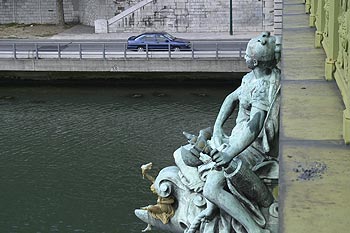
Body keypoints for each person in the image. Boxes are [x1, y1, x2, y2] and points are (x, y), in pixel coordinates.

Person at [200, 32, 281, 233]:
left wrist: (229, 153)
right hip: (236, 140)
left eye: (246, 55)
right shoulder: (250, 78)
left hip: (252, 149)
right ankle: (213, 206)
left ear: (254, 61)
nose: (243, 58)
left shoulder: (263, 87)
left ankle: (254, 229)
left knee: (212, 187)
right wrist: (218, 127)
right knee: (203, 150)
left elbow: (255, 126)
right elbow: (231, 99)